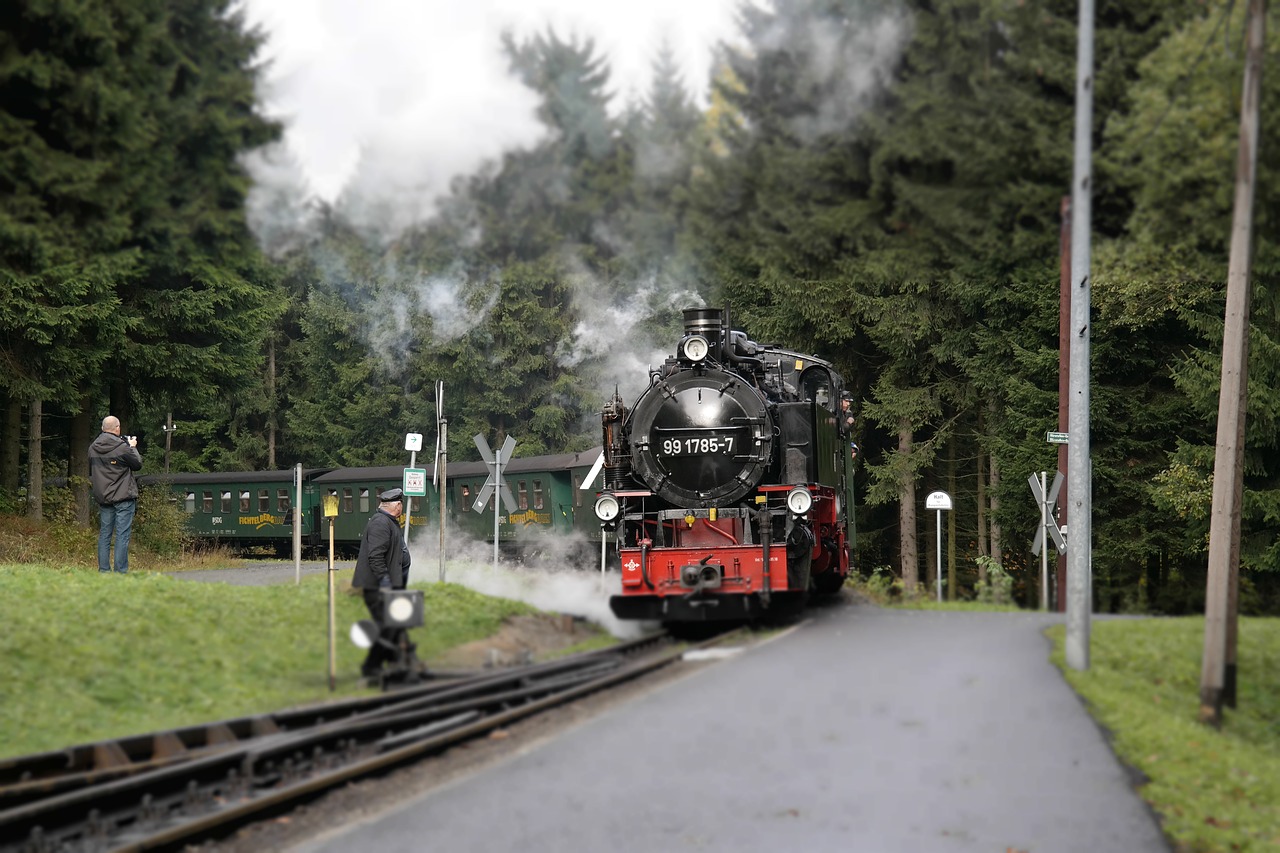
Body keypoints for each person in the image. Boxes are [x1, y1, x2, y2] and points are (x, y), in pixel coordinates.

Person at [351, 487, 414, 682]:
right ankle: (372, 667)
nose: (401, 507)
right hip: (377, 587)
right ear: (396, 505)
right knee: (387, 626)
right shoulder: (380, 523)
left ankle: (398, 664)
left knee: (394, 626)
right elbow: (375, 556)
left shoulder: (389, 522)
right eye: (400, 504)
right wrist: (385, 581)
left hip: (388, 585)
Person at [89, 415, 143, 573]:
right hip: (122, 496)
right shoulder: (122, 447)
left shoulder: (92, 447)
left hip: (104, 497)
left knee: (105, 534)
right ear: (117, 428)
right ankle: (120, 572)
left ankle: (104, 571)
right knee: (122, 535)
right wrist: (132, 446)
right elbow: (137, 464)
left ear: (102, 428)